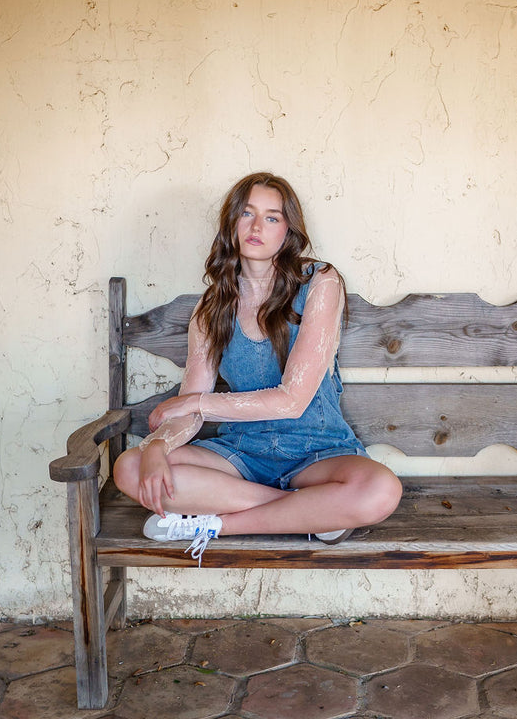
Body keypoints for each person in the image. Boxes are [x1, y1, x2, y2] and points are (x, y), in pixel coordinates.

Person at [113, 172, 403, 559]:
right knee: (130, 468)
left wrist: (197, 403)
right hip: (243, 454)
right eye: (247, 213)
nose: (256, 226)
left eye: (272, 217)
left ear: (288, 230)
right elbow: (188, 411)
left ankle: (217, 524)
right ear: (231, 223)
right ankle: (313, 512)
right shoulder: (211, 310)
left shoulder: (319, 282)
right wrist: (155, 446)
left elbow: (292, 401)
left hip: (318, 451)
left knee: (381, 489)